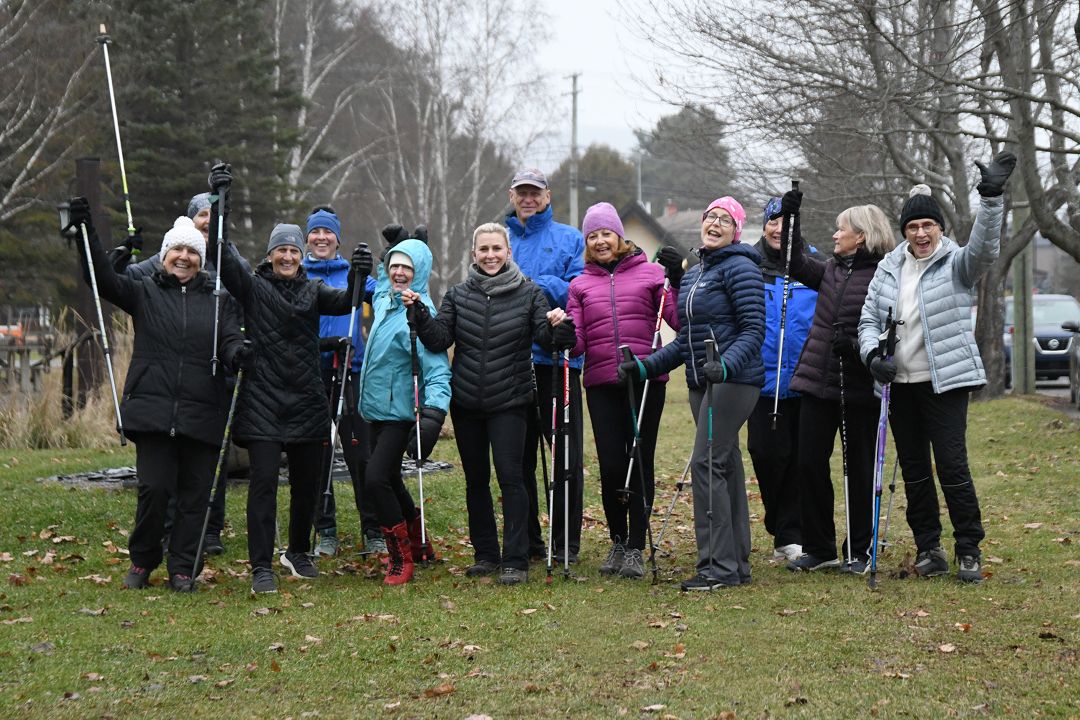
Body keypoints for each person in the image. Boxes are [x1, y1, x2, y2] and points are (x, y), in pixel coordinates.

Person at [67, 198, 246, 592]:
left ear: (200, 258)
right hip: (153, 408)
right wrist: (87, 234)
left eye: (191, 252)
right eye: (176, 250)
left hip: (203, 410)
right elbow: (101, 278)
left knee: (195, 497)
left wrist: (237, 354)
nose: (183, 257)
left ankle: (184, 568)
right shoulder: (143, 291)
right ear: (165, 255)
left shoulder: (220, 300)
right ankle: (143, 560)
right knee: (154, 490)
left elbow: (231, 338)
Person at [213, 165, 372, 594]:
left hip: (305, 399)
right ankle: (261, 565)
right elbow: (222, 255)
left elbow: (348, 301)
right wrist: (220, 201)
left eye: (294, 252)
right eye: (281, 251)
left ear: (302, 257)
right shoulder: (251, 286)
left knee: (309, 483)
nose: (287, 257)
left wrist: (359, 271)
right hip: (264, 398)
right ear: (270, 255)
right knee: (263, 483)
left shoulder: (313, 290)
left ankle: (297, 551)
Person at [859, 151, 1016, 584]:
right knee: (913, 469)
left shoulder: (957, 264)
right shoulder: (889, 268)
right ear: (904, 232)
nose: (921, 233)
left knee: (951, 465)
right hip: (900, 385)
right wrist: (873, 357)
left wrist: (991, 198)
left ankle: (969, 547)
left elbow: (985, 248)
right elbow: (868, 319)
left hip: (944, 381)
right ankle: (930, 548)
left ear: (939, 229)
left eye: (928, 225)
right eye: (913, 226)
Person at [404, 223, 569, 585]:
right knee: (476, 481)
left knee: (511, 479)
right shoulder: (458, 295)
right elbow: (438, 339)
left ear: (508, 253)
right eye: (484, 250)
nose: (491, 255)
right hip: (467, 404)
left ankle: (516, 558)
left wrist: (560, 327)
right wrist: (419, 315)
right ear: (473, 254)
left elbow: (546, 338)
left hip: (510, 402)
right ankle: (486, 555)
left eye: (497, 249)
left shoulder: (529, 294)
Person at [621, 197, 765, 590]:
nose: (715, 223)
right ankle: (735, 563)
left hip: (733, 382)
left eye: (725, 219)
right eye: (710, 217)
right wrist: (645, 366)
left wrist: (726, 365)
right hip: (703, 384)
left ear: (736, 230)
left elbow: (754, 331)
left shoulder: (741, 268)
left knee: (706, 464)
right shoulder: (696, 273)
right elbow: (685, 341)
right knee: (725, 465)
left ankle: (716, 567)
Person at [109, 190, 250, 557]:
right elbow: (122, 284)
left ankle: (209, 531)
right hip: (163, 382)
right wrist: (120, 256)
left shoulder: (228, 257)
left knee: (205, 471)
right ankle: (164, 537)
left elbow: (245, 298)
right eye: (201, 214)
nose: (207, 221)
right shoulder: (168, 257)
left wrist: (238, 352)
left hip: (214, 376)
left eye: (213, 215)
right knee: (162, 477)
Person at [560, 202, 681, 579]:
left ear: (619, 236)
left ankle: (635, 547)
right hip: (600, 384)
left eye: (605, 234)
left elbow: (677, 318)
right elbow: (577, 344)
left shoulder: (650, 275)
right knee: (612, 465)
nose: (599, 241)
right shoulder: (579, 284)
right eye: (592, 235)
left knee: (639, 461)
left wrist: (676, 280)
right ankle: (616, 539)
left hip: (644, 381)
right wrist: (562, 334)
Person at [780, 192, 897, 574]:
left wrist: (861, 349)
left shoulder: (885, 273)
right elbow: (793, 262)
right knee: (810, 463)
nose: (834, 234)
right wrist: (791, 217)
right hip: (818, 381)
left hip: (859, 385)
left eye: (840, 228)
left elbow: (890, 323)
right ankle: (820, 547)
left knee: (859, 469)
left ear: (861, 235)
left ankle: (860, 550)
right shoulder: (830, 269)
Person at [504, 168, 586, 564]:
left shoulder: (570, 238)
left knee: (564, 455)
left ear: (548, 196)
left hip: (557, 361)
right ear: (512, 195)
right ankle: (530, 541)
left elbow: (580, 288)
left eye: (535, 192)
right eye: (522, 192)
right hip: (512, 362)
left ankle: (565, 541)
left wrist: (537, 282)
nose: (528, 198)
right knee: (518, 457)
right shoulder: (500, 240)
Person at [358, 238, 451, 585]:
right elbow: (380, 283)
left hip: (401, 413)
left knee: (376, 479)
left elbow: (439, 370)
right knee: (391, 478)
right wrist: (376, 258)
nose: (399, 272)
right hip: (375, 410)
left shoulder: (419, 314)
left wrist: (433, 414)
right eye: (394, 265)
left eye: (407, 268)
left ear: (420, 273)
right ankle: (419, 540)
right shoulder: (385, 298)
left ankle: (401, 557)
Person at [302, 206, 383, 558]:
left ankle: (373, 529)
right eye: (315, 232)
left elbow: (385, 295)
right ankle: (326, 530)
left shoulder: (355, 273)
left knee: (360, 454)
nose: (321, 237)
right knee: (317, 454)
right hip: (309, 373)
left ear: (338, 238)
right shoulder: (297, 273)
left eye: (328, 232)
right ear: (307, 238)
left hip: (351, 369)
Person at [746, 197, 818, 563]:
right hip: (760, 381)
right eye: (773, 222)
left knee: (801, 459)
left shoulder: (815, 264)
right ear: (763, 226)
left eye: (787, 222)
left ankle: (793, 533)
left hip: (805, 380)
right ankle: (780, 522)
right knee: (766, 453)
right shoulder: (747, 265)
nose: (779, 229)